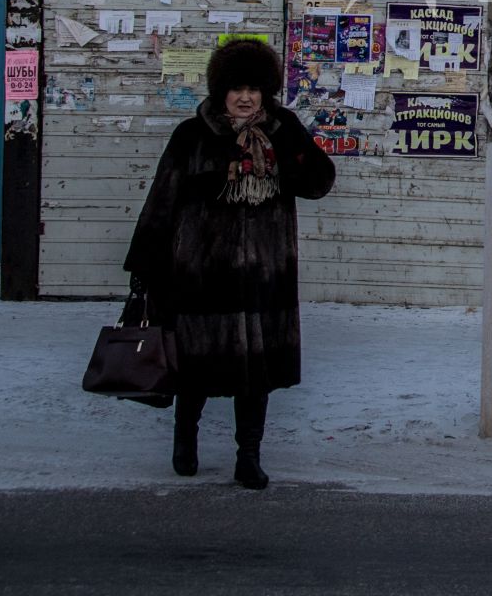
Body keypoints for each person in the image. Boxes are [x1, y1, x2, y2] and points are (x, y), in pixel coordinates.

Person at [124, 38, 336, 490]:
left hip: (264, 277)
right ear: (221, 90)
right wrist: (146, 267)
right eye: (237, 88)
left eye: (255, 89)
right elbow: (162, 202)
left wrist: (293, 142)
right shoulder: (191, 136)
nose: (246, 97)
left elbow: (319, 183)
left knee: (254, 375)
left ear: (266, 92)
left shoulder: (282, 130)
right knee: (196, 366)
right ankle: (186, 438)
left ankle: (249, 456)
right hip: (203, 274)